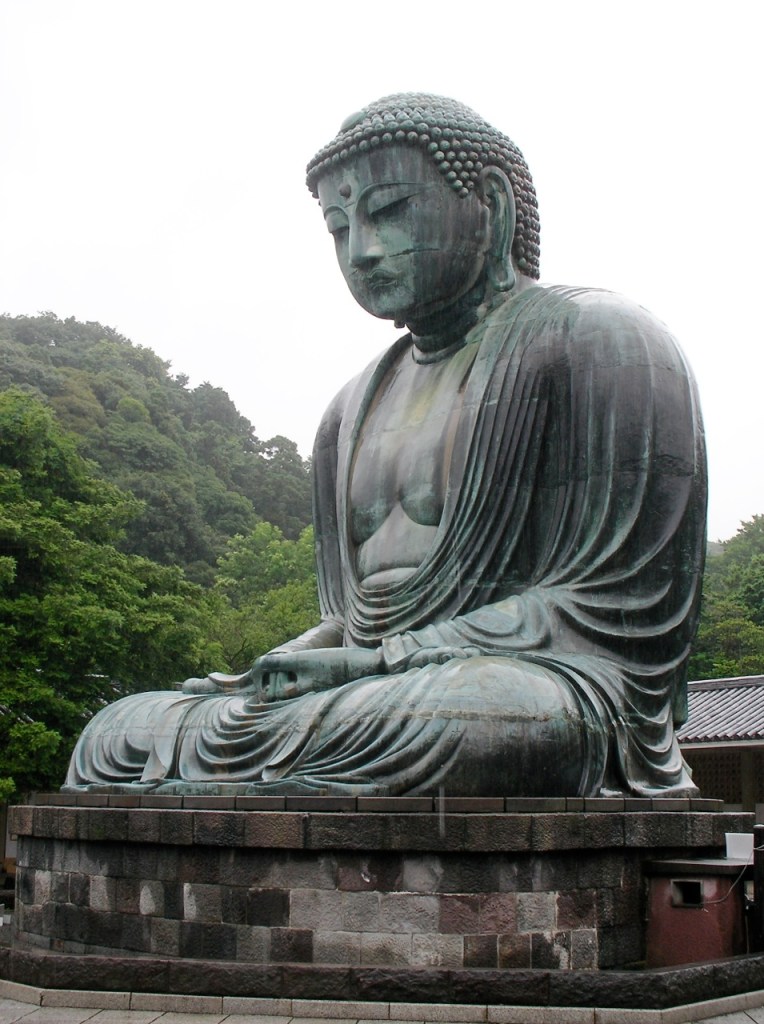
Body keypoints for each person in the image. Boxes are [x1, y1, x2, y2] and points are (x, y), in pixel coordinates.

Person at [65, 94, 706, 797]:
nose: (361, 252)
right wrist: (298, 659)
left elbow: (620, 615)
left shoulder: (601, 341)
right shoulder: (349, 408)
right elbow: (350, 617)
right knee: (121, 731)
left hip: (531, 688)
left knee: (467, 719)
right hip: (369, 696)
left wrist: (382, 663)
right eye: (339, 229)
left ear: (489, 204)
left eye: (390, 210)